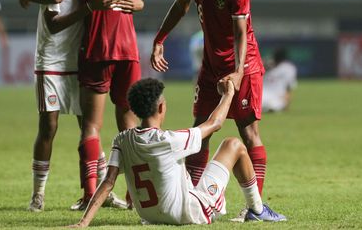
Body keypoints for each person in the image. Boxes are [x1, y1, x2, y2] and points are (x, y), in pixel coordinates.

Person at [18, 0, 144, 211]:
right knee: (49, 126)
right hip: (54, 57)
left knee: (88, 126)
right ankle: (38, 194)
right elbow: (54, 25)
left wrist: (138, 3)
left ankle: (98, 192)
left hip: (87, 53)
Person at [150, 0, 272, 219]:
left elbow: (242, 33)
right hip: (211, 65)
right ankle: (192, 196)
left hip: (243, 64)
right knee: (199, 130)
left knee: (248, 132)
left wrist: (239, 71)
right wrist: (159, 38)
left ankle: (255, 208)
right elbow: (181, 6)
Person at [69, 78, 286, 227]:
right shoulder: (169, 140)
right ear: (161, 107)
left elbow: (107, 182)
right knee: (233, 144)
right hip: (189, 213)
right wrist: (228, 93)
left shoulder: (122, 139)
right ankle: (257, 210)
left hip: (149, 217)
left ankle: (255, 210)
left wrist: (83, 223)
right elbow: (215, 123)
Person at [262, 48, 297, 112]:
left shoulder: (287, 68)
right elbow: (289, 89)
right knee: (276, 105)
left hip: (265, 98)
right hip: (272, 99)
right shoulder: (288, 68)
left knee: (272, 104)